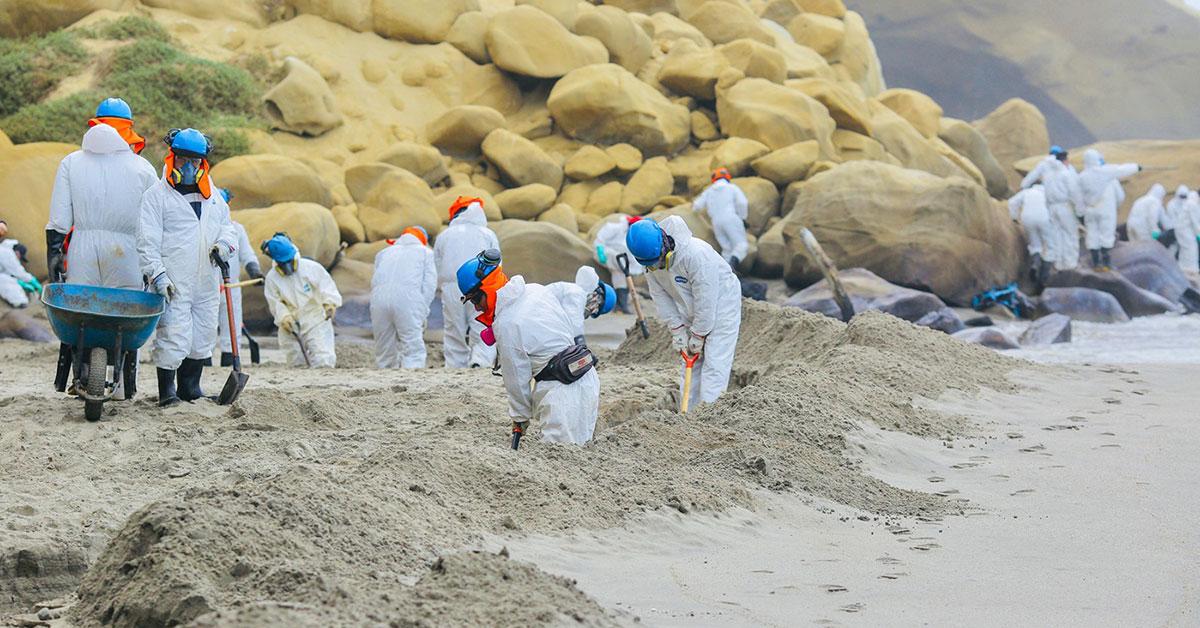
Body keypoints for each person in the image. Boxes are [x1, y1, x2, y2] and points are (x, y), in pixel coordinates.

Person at [46, 98, 157, 398]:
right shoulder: (142, 168)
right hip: (128, 251)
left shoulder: (71, 162)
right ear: (128, 130)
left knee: (82, 312)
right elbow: (154, 219)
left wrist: (55, 254)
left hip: (83, 246)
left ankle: (80, 375)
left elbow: (59, 218)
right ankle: (122, 385)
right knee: (123, 313)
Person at [459, 251, 615, 445]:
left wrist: (520, 417)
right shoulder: (535, 290)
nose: (476, 308)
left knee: (558, 458)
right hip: (588, 378)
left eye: (475, 299)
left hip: (559, 392)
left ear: (487, 289)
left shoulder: (508, 324)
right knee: (581, 450)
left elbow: (516, 379)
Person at [138, 128, 237, 406]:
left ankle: (190, 388)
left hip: (206, 279)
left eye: (196, 162)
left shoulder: (213, 196)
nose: (190, 167)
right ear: (173, 157)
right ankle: (167, 392)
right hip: (174, 281)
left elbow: (228, 229)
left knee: (203, 335)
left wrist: (223, 247)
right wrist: (157, 275)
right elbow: (147, 241)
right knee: (173, 335)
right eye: (184, 160)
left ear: (203, 163)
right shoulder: (156, 196)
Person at [626, 215, 742, 409]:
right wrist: (678, 331)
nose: (656, 267)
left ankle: (708, 414)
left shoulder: (696, 255)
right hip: (688, 305)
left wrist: (699, 334)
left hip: (722, 302)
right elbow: (661, 298)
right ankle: (688, 413)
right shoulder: (651, 264)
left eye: (658, 261)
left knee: (714, 362)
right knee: (690, 363)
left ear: (664, 245)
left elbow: (706, 299)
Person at [434, 196, 500, 368]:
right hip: (483, 287)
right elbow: (497, 263)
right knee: (482, 326)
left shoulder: (445, 235)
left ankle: (455, 365)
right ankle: (480, 361)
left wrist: (441, 286)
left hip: (451, 286)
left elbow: (437, 264)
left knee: (454, 330)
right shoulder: (488, 234)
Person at [262, 233, 342, 368]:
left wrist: (330, 303)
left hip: (315, 317)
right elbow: (275, 301)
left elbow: (326, 285)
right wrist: (284, 317)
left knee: (323, 356)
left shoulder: (310, 268)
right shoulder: (272, 278)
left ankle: (324, 381)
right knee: (294, 359)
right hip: (290, 323)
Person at [371, 226, 436, 368]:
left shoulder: (383, 253)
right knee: (412, 344)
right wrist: (422, 310)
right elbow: (429, 285)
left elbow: (375, 279)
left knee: (384, 344)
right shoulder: (426, 253)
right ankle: (411, 373)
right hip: (408, 298)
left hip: (379, 299)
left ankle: (384, 372)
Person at [1022, 146, 1084, 270]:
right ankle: (1071, 264)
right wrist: (1080, 211)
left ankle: (1059, 264)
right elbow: (1075, 191)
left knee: (1057, 235)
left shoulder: (1044, 169)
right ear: (1062, 159)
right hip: (1065, 206)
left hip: (1051, 207)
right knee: (1070, 234)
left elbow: (1025, 183)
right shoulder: (1066, 172)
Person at [1077, 149, 1140, 270]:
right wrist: (1136, 167)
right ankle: (1106, 262)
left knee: (1092, 235)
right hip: (1106, 210)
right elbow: (1121, 170)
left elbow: (1078, 197)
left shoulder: (1081, 176)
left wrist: (1080, 213)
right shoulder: (1106, 173)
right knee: (1106, 235)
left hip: (1090, 210)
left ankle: (1096, 263)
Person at [216, 213, 263, 366]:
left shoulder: (237, 229)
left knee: (233, 326)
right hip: (208, 287)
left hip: (232, 286)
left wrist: (254, 270)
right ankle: (204, 363)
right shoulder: (203, 227)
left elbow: (247, 254)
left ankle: (229, 362)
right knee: (206, 327)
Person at [692, 168, 749, 268]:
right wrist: (742, 217)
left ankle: (725, 277)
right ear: (727, 177)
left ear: (714, 179)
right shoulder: (732, 187)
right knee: (741, 246)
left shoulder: (709, 191)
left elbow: (696, 206)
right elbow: (742, 203)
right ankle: (733, 266)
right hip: (731, 217)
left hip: (716, 222)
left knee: (727, 250)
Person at [593, 215, 645, 313]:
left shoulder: (633, 236)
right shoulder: (615, 228)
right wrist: (600, 251)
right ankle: (620, 305)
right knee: (618, 264)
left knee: (620, 274)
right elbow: (600, 239)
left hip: (619, 260)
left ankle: (621, 306)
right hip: (605, 253)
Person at [1007, 184, 1055, 287]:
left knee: (1035, 244)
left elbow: (1012, 202)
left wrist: (1014, 217)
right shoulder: (1048, 193)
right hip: (1044, 218)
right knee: (1050, 247)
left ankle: (1035, 264)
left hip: (1027, 218)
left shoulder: (1027, 192)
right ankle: (1043, 279)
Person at [0, 222, 40, 308]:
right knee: (6, 281)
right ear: (17, 253)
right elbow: (18, 272)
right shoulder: (6, 252)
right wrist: (33, 281)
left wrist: (20, 282)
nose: (19, 259)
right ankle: (21, 304)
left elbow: (9, 272)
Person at [1176, 191, 1200, 274]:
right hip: (1185, 231)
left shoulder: (1191, 202)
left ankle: (1183, 269)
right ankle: (1192, 271)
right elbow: (1195, 222)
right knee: (1191, 249)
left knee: (1185, 250)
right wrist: (1199, 234)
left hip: (1183, 230)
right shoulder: (1192, 204)